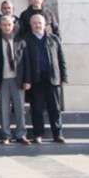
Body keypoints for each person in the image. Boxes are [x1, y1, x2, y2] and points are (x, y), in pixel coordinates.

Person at [24, 14, 67, 144]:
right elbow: (25, 62)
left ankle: (58, 134)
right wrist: (27, 80)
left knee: (55, 108)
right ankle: (38, 134)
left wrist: (64, 76)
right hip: (36, 80)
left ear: (44, 24)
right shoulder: (26, 40)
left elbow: (61, 58)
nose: (37, 25)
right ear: (31, 25)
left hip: (53, 79)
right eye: (34, 23)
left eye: (39, 23)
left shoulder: (54, 39)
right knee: (36, 108)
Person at [0, 15, 31, 145]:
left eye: (9, 24)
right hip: (3, 80)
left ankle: (21, 134)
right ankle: (6, 135)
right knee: (4, 109)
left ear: (13, 26)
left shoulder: (20, 41)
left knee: (20, 108)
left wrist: (27, 80)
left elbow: (26, 62)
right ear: (0, 26)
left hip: (18, 80)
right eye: (4, 25)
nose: (6, 27)